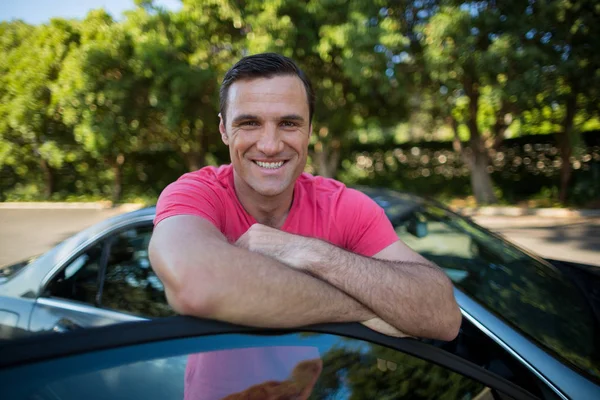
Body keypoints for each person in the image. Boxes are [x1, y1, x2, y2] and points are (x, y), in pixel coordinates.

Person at [149, 53, 461, 398]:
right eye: (249, 122)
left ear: (310, 129)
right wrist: (365, 306)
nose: (269, 145)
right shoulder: (196, 193)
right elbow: (196, 283)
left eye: (289, 124)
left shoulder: (344, 205)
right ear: (224, 129)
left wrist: (307, 252)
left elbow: (443, 315)